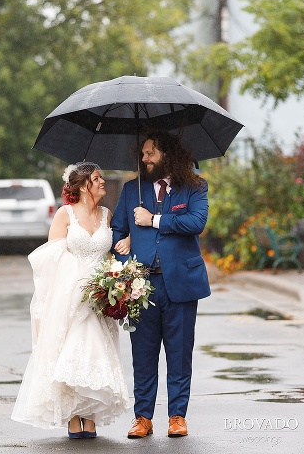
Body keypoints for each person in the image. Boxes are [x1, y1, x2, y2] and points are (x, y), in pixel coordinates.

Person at [12, 162, 130, 438]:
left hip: (101, 296)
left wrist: (114, 276)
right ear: (83, 185)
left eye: (102, 177)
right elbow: (50, 257)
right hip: (71, 295)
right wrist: (77, 283)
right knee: (73, 351)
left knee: (97, 351)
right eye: (97, 178)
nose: (103, 182)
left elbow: (111, 254)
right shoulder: (65, 215)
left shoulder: (107, 214)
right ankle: (73, 414)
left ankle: (90, 415)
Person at [111, 131, 209, 439]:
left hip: (180, 283)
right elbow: (117, 230)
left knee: (179, 354)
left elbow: (196, 223)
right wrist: (122, 246)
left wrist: (154, 220)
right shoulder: (130, 190)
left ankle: (177, 416)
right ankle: (143, 418)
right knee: (143, 355)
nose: (144, 158)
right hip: (142, 286)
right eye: (142, 154)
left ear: (166, 153)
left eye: (150, 152)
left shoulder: (194, 186)